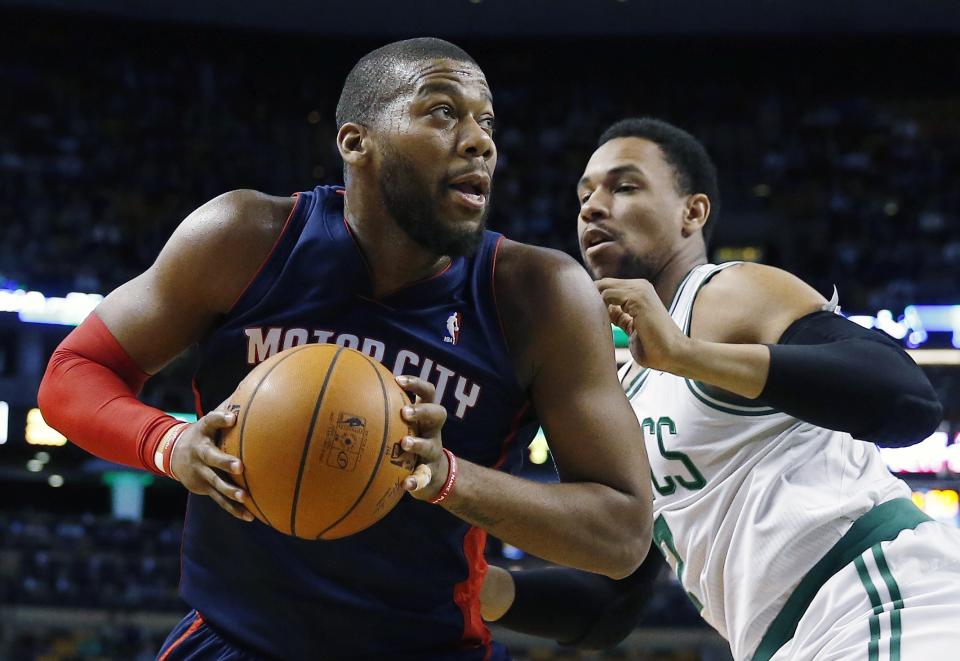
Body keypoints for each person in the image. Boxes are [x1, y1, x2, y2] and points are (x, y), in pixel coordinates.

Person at [36, 41, 655, 660]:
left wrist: (447, 478)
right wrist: (170, 444)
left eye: (487, 121)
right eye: (443, 112)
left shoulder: (538, 294)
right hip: (233, 641)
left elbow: (621, 533)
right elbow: (73, 372)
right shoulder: (245, 238)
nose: (480, 141)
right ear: (357, 142)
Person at [481, 118, 960, 660]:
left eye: (624, 186)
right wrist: (479, 590)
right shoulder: (624, 388)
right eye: (585, 194)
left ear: (694, 212)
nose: (593, 206)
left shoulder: (723, 292)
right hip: (790, 641)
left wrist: (687, 356)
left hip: (883, 596)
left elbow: (907, 400)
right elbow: (612, 602)